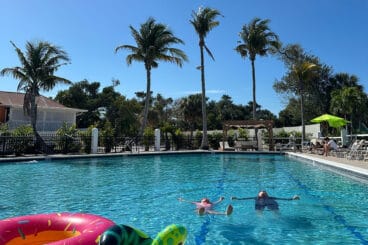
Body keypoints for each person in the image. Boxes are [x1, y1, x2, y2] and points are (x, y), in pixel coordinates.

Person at [231, 190, 300, 211]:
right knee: (259, 214)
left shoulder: (270, 198)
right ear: (258, 194)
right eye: (262, 191)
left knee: (276, 213)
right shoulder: (256, 198)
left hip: (271, 204)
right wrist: (237, 198)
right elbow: (246, 198)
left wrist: (292, 198)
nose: (263, 192)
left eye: (264, 191)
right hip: (260, 204)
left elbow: (282, 199)